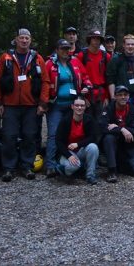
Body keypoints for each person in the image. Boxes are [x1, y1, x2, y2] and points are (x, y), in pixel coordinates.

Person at [0, 28, 51, 182]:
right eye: (21, 38)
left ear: (30, 40)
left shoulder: (37, 58)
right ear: (16, 39)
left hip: (31, 105)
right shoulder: (5, 58)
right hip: (10, 105)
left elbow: (46, 82)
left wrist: (43, 103)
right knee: (9, 136)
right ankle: (8, 168)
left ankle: (27, 165)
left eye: (27, 38)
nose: (24, 41)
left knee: (29, 136)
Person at [44, 39, 91, 177]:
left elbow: (86, 77)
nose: (66, 51)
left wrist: (86, 87)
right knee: (53, 134)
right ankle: (51, 165)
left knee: (74, 133)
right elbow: (44, 84)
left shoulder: (75, 62)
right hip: (56, 105)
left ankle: (72, 161)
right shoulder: (50, 64)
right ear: (57, 50)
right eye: (62, 48)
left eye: (67, 48)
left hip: (74, 105)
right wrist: (43, 103)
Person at [99, 86, 134, 182]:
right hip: (113, 144)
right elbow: (102, 127)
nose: (123, 97)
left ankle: (120, 165)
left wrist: (119, 128)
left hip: (128, 144)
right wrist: (121, 130)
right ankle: (112, 171)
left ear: (128, 96)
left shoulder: (133, 110)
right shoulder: (108, 109)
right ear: (115, 97)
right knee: (108, 138)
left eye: (125, 95)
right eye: (120, 95)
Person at [55, 97, 99, 184]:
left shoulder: (89, 119)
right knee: (73, 167)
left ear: (85, 107)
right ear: (72, 106)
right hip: (68, 152)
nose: (79, 108)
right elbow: (58, 141)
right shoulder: (65, 120)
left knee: (93, 147)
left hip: (81, 150)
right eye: (77, 105)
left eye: (82, 105)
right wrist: (68, 156)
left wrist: (78, 144)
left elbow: (93, 137)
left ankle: (90, 175)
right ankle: (62, 168)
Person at [106, 34, 134, 108]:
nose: (130, 46)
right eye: (128, 44)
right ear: (124, 45)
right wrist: (113, 98)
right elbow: (111, 80)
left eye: (132, 44)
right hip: (120, 97)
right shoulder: (115, 60)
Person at [75, 30, 112, 113]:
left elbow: (108, 77)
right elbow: (77, 77)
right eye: (94, 38)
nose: (96, 41)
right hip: (86, 94)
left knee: (100, 122)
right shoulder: (81, 55)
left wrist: (106, 96)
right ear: (89, 40)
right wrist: (82, 97)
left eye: (98, 39)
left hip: (101, 94)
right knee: (87, 122)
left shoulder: (106, 56)